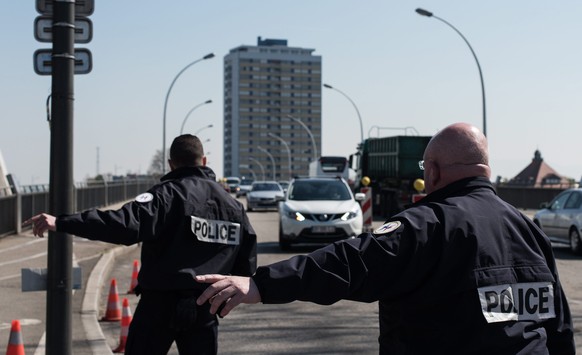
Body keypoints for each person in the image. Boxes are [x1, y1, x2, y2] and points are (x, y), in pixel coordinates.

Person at [195, 123, 575, 354]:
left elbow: (351, 262)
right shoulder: (529, 230)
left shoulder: (428, 225)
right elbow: (558, 325)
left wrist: (260, 285)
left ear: (435, 171)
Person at [24, 134, 257, 355]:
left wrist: (62, 222)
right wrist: (223, 297)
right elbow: (246, 262)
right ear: (204, 161)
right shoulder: (233, 206)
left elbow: (122, 225)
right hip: (205, 306)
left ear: (171, 164)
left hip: (159, 306)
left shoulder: (165, 195)